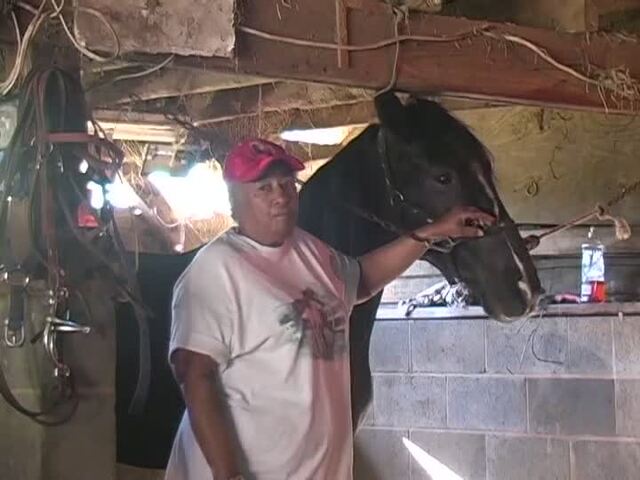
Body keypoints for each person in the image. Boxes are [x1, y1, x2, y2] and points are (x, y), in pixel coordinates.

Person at [164, 139, 493, 480]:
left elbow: (361, 280)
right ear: (235, 200)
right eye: (264, 188)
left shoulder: (310, 250)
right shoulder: (216, 269)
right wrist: (227, 473)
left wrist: (433, 232)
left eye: (287, 184)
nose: (281, 196)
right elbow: (194, 373)